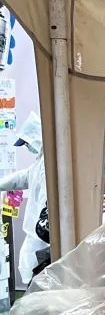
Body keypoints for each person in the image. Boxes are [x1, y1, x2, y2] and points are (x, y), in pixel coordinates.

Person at [0, 112, 49, 284]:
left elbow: (45, 203)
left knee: (37, 284)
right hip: (34, 238)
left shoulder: (47, 165)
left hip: (41, 239)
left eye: (27, 143)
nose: (27, 147)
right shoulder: (39, 163)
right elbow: (21, 178)